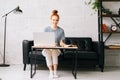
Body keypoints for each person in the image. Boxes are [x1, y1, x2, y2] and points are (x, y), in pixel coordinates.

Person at [42, 10, 67, 79]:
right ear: (51, 20)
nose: (55, 22)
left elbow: (61, 43)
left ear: (58, 20)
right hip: (47, 48)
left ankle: (55, 72)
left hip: (56, 49)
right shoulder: (46, 29)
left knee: (54, 50)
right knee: (47, 50)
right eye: (53, 20)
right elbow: (43, 41)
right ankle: (51, 72)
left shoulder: (61, 30)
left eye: (56, 20)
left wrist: (65, 45)